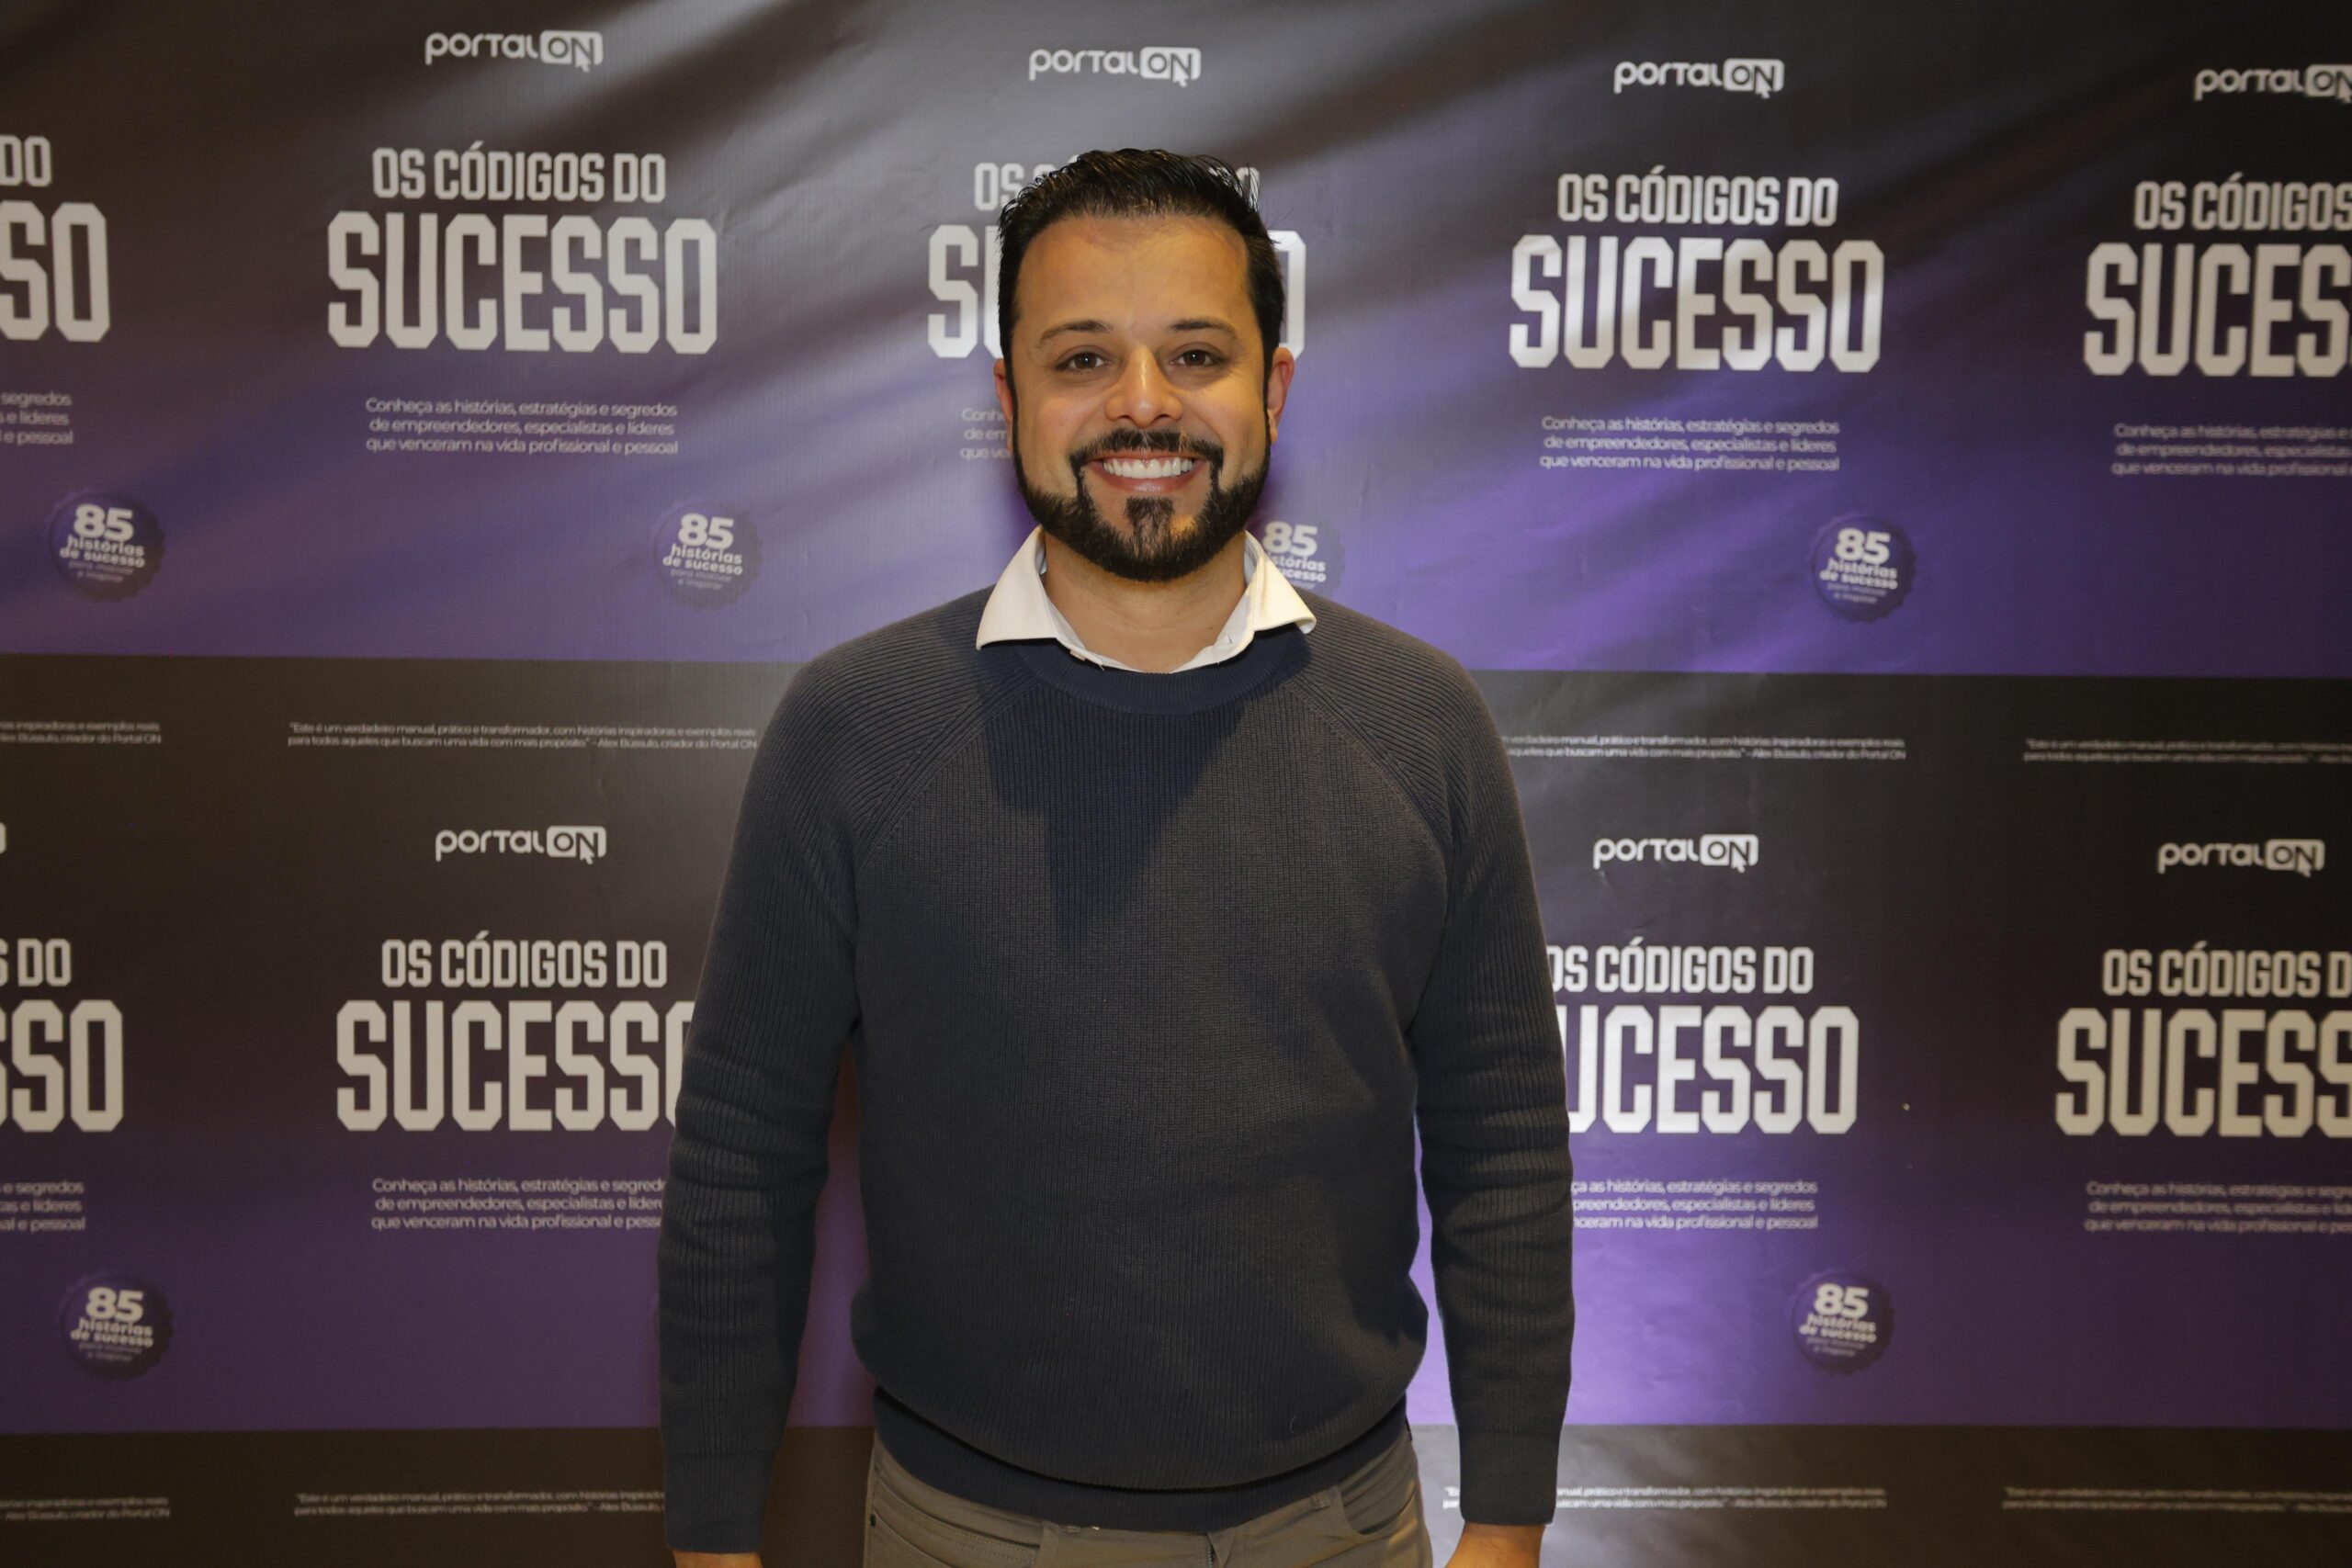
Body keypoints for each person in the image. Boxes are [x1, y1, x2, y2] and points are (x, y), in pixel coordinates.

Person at [660, 149, 1573, 1568]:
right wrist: (713, 1535)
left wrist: (1509, 1520)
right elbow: (741, 1158)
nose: (1144, 403)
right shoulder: (856, 731)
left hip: (1341, 1531)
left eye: (1196, 354)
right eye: (1083, 357)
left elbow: (1501, 1143)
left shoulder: (1422, 725)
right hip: (963, 1536)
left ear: (1274, 389)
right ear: (1009, 398)